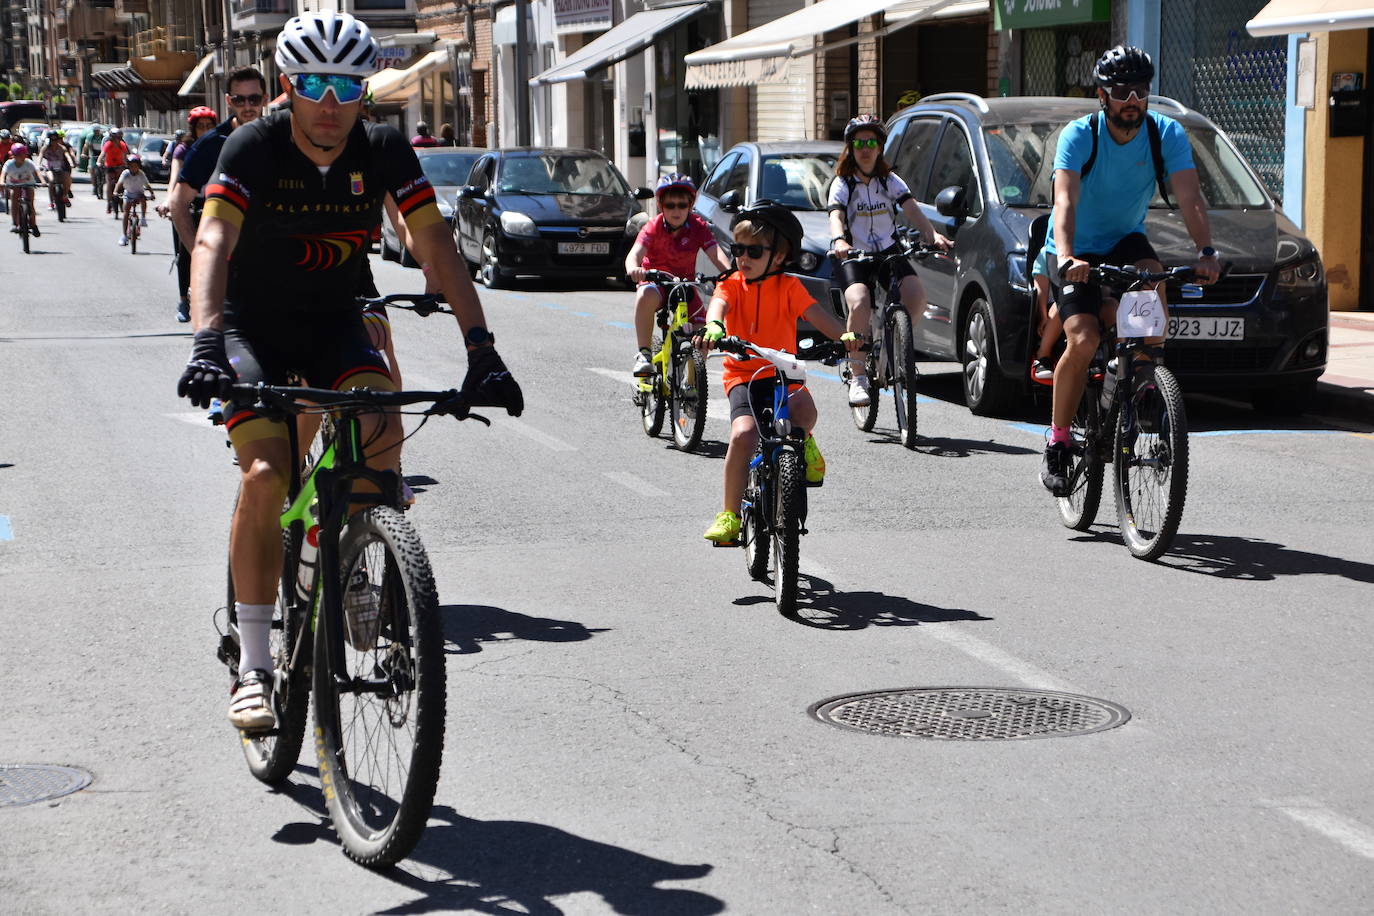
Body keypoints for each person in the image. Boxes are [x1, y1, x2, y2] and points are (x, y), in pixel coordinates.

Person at [175, 11, 523, 732]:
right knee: (267, 473)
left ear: (364, 89)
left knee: (379, 429)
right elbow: (211, 238)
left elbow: (436, 247)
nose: (330, 102)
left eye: (346, 84)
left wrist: (481, 347)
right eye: (314, 84)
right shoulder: (252, 145)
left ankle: (360, 555)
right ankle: (255, 662)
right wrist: (206, 339)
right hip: (253, 329)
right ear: (287, 86)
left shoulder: (385, 149)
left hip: (336, 322)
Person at [1038, 45, 1219, 495]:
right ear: (1103, 94)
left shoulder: (1165, 134)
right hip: (1074, 245)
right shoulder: (1081, 135)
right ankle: (1059, 441)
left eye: (1141, 90)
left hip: (1124, 239)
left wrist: (1207, 251)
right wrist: (1065, 257)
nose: (1133, 99)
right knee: (1083, 338)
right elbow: (1065, 201)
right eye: (1122, 91)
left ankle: (1141, 385)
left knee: (1153, 276)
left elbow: (1190, 197)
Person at [694, 201, 854, 545]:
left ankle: (804, 441)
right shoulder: (731, 285)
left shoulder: (788, 287)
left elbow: (818, 317)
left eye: (753, 251)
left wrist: (845, 337)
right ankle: (729, 514)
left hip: (782, 374)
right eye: (738, 249)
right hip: (744, 377)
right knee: (743, 435)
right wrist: (714, 328)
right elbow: (717, 309)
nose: (742, 258)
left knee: (805, 412)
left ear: (779, 256)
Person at [827, 114, 952, 408]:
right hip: (853, 253)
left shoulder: (889, 180)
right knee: (859, 302)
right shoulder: (843, 183)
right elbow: (836, 215)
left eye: (871, 141)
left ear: (880, 146)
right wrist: (839, 241)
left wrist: (932, 234)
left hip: (887, 250)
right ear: (851, 147)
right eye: (859, 142)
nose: (865, 148)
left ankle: (897, 347)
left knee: (916, 296)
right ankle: (857, 375)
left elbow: (912, 210)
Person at [163, 72, 266, 323]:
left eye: (253, 99)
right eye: (240, 100)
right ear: (229, 101)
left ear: (264, 99)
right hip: (228, 264)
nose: (248, 106)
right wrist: (198, 254)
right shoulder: (211, 144)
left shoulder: (281, 138)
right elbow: (178, 203)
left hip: (269, 262)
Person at [624, 173, 732, 377]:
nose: (676, 210)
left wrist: (730, 275)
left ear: (690, 205)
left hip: (685, 285)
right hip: (657, 284)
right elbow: (634, 255)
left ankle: (692, 382)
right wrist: (634, 269)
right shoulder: (653, 227)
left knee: (703, 334)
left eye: (682, 205)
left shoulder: (698, 227)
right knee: (645, 296)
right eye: (670, 205)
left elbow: (716, 253)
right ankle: (644, 354)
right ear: (661, 206)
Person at [159, 106, 218, 321]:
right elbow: (175, 178)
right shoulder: (184, 149)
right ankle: (184, 300)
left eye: (209, 126)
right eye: (200, 127)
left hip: (215, 203)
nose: (205, 130)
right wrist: (169, 201)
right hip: (189, 204)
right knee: (185, 254)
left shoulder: (221, 144)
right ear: (193, 129)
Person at [3, 144, 44, 236]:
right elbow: (3, 174)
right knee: (14, 197)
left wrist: (43, 181)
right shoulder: (9, 164)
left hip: (29, 184)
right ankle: (15, 223)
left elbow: (37, 172)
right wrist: (1, 182)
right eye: (19, 155)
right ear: (14, 156)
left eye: (24, 154)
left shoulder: (29, 163)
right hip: (14, 184)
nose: (22, 157)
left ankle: (33, 224)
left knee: (31, 203)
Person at [114, 153, 153, 246]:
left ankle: (143, 218)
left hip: (139, 194)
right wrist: (115, 192)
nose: (133, 168)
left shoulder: (141, 174)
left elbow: (147, 185)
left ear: (139, 166)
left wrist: (152, 193)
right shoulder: (125, 174)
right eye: (131, 166)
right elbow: (119, 184)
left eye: (135, 166)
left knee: (143, 199)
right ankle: (124, 235)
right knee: (126, 213)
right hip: (128, 194)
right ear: (128, 166)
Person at [37, 129, 75, 206]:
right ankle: (51, 202)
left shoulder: (62, 148)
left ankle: (64, 195)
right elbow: (40, 156)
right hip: (50, 168)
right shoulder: (45, 148)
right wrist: (38, 165)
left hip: (61, 168)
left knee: (68, 179)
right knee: (51, 180)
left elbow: (67, 155)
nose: (54, 141)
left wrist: (71, 163)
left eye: (55, 139)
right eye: (52, 139)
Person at [97, 127, 129, 213]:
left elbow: (125, 156)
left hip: (119, 166)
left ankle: (121, 202)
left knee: (121, 183)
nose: (117, 140)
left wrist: (127, 164)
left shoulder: (122, 145)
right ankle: (109, 203)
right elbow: (102, 154)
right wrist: (99, 162)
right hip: (110, 166)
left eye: (118, 137)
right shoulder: (108, 144)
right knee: (110, 184)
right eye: (115, 137)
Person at [80, 124, 105, 196]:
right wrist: (84, 153)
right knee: (92, 170)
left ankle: (102, 182)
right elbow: (86, 146)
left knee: (104, 169)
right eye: (94, 131)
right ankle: (94, 186)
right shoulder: (90, 136)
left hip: (101, 153)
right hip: (93, 154)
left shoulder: (103, 137)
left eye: (97, 131)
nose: (96, 132)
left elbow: (105, 147)